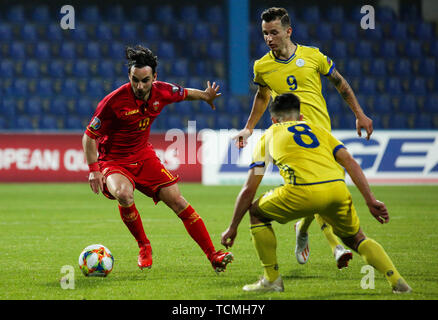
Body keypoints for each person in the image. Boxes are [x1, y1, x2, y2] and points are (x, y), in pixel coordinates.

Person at [221, 93, 411, 294]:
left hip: (301, 192)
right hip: (337, 190)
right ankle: (398, 282)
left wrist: (233, 227)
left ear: (274, 120)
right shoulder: (319, 129)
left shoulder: (269, 135)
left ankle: (272, 279)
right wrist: (370, 200)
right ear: (301, 117)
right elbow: (350, 162)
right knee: (356, 238)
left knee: (257, 213)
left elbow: (250, 188)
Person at [233, 7, 374, 268]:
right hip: (290, 138)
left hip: (321, 133)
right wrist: (249, 128)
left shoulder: (313, 56)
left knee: (323, 190)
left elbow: (340, 83)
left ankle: (303, 229)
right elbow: (263, 96)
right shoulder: (262, 66)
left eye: (274, 32)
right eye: (265, 33)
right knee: (316, 188)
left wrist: (360, 114)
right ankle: (337, 247)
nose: (269, 38)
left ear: (288, 31)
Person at [82, 45, 233, 273]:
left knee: (178, 201)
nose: (139, 86)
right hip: (114, 160)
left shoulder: (162, 91)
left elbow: (183, 93)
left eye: (145, 80)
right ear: (129, 77)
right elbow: (89, 136)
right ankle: (144, 246)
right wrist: (94, 170)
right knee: (123, 194)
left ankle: (214, 255)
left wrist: (205, 96)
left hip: (144, 156)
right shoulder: (113, 102)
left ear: (155, 77)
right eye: (135, 80)